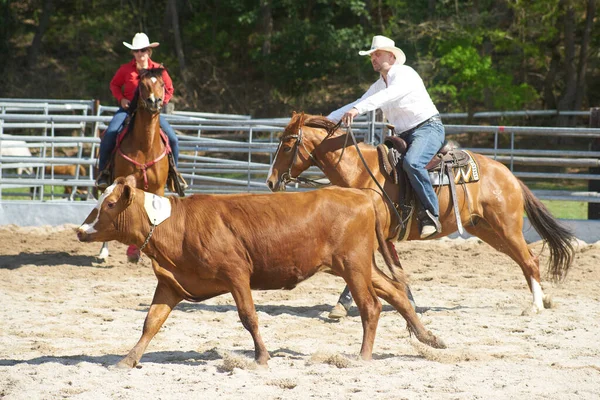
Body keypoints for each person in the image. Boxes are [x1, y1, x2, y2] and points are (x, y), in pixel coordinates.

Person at [326, 35, 445, 319]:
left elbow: (379, 100)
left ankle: (431, 213)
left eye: (376, 54)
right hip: (403, 134)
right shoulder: (380, 84)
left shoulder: (405, 75)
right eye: (371, 56)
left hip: (428, 128)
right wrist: (326, 119)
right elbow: (363, 100)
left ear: (391, 56)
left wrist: (356, 111)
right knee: (383, 169)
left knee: (414, 163)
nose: (373, 59)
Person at [96, 32, 180, 189]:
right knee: (110, 134)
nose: (140, 54)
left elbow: (169, 88)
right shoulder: (125, 69)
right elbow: (114, 84)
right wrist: (121, 98)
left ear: (149, 51)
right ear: (133, 52)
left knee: (173, 139)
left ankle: (173, 174)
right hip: (127, 110)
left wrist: (162, 102)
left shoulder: (158, 70)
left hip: (151, 112)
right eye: (136, 51)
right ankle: (104, 173)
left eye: (142, 50)